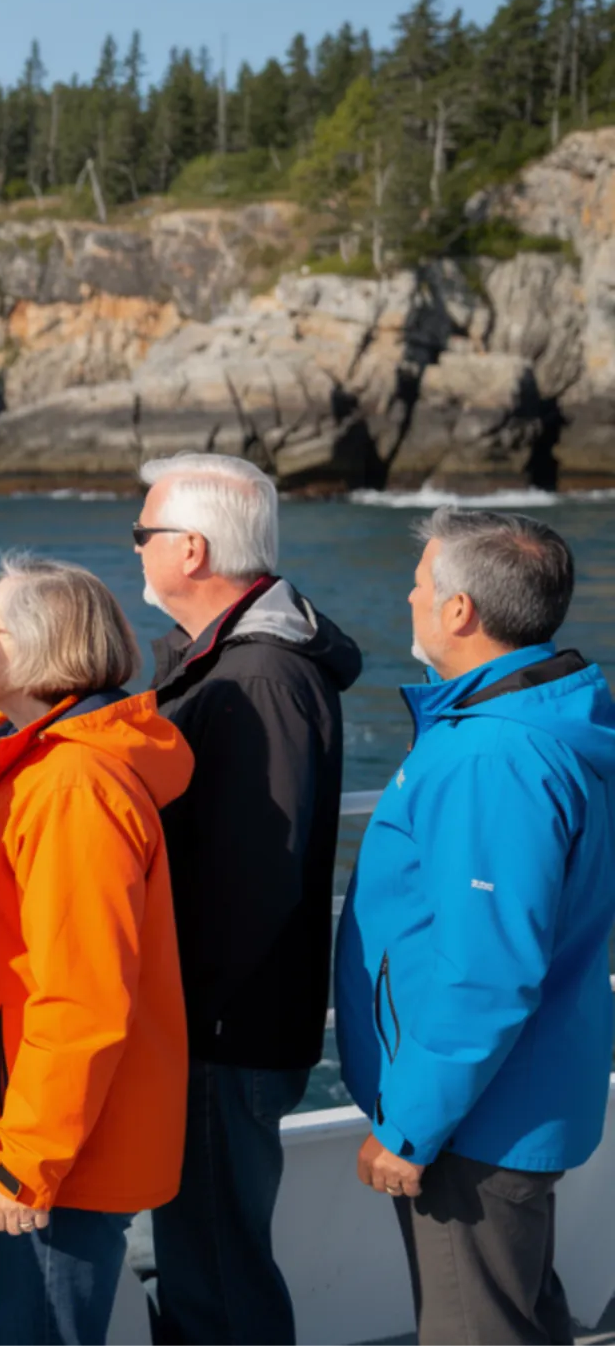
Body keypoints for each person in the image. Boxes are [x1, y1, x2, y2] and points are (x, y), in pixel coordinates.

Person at [337, 509, 615, 1346]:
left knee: (477, 1327)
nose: (411, 595)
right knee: (521, 1314)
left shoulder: (491, 755)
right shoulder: (552, 717)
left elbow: (488, 968)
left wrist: (410, 1124)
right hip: (515, 1093)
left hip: (474, 1118)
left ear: (460, 610)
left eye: (421, 582)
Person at [0, 554, 190, 1346]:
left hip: (60, 1150)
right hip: (51, 1130)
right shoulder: (39, 766)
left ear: (36, 653)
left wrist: (30, 1160)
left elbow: (83, 995)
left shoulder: (72, 785)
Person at [131, 452, 363, 1346]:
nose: (137, 549)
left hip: (222, 1034)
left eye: (143, 534)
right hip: (225, 1025)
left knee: (219, 1273)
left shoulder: (257, 676)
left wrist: (178, 1013)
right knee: (206, 1259)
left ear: (191, 550)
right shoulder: (236, 663)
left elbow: (258, 875)